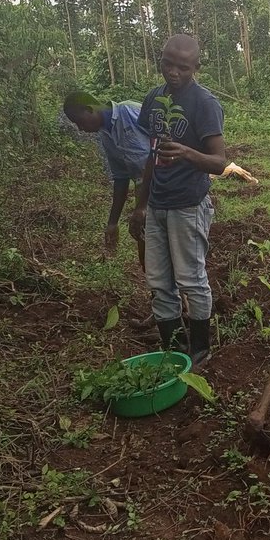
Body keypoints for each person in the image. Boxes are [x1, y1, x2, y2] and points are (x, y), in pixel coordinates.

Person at [129, 34, 227, 366]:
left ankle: (200, 348)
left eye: (182, 67)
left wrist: (186, 152)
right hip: (157, 205)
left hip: (188, 204)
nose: (173, 72)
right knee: (157, 281)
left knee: (190, 279)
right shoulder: (154, 100)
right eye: (167, 64)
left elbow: (220, 162)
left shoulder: (205, 104)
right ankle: (173, 347)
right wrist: (140, 205)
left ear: (196, 67)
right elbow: (150, 156)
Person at [62, 94, 150, 257]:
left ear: (89, 109)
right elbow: (121, 178)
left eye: (79, 122)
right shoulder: (106, 136)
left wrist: (142, 207)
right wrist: (112, 223)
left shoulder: (130, 111)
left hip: (169, 187)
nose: (81, 129)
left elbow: (167, 140)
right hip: (143, 192)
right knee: (148, 258)